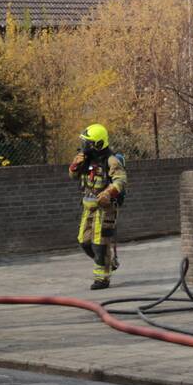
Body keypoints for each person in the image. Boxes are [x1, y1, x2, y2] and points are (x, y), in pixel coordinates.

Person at [69, 123, 127, 290]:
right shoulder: (84, 159)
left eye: (88, 143)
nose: (84, 147)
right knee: (84, 241)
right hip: (88, 206)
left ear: (99, 144)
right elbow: (73, 176)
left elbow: (120, 181)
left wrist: (108, 193)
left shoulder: (111, 160)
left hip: (105, 208)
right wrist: (75, 165)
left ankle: (102, 278)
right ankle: (109, 261)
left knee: (99, 243)